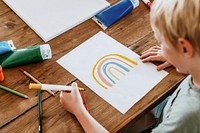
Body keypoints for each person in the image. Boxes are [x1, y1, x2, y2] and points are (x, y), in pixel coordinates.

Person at [60, 0, 200, 132]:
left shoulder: (186, 117)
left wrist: (79, 111)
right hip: (169, 106)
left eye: (162, 42)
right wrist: (179, 57)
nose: (161, 47)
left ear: (185, 48)